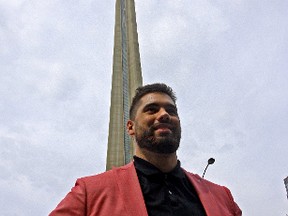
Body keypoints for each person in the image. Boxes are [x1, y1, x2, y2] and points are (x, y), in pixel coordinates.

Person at [49, 83, 242, 216]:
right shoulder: (90, 193)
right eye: (152, 109)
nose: (164, 114)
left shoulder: (222, 198)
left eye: (171, 110)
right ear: (130, 127)